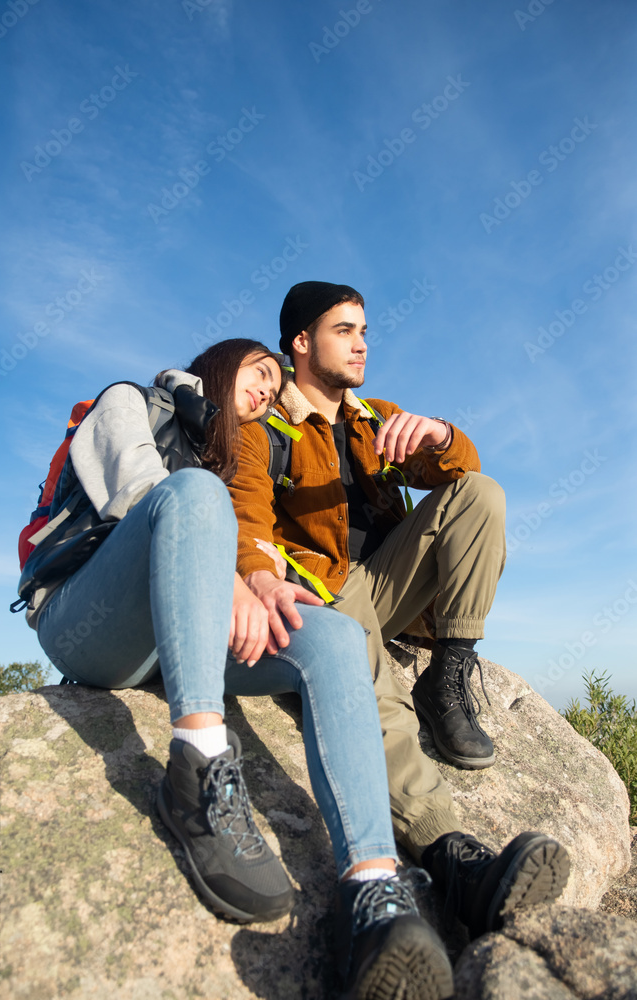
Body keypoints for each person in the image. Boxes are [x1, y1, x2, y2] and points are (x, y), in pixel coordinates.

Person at [17, 337, 460, 1000]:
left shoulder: (227, 457)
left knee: (334, 636)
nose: (265, 390)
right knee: (192, 493)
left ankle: (371, 894)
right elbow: (143, 492)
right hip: (89, 618)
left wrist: (261, 582)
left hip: (178, 637)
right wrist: (227, 571)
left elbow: (247, 541)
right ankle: (198, 771)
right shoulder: (130, 402)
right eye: (257, 373)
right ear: (215, 368)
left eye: (274, 382)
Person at [228, 285, 570, 923]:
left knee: (482, 494)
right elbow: (245, 514)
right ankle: (450, 855)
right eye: (344, 329)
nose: (362, 343)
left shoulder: (372, 417)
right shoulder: (264, 426)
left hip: (392, 587)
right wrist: (260, 578)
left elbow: (460, 473)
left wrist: (441, 435)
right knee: (372, 688)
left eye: (365, 330)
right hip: (326, 589)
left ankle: (449, 671)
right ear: (301, 343)